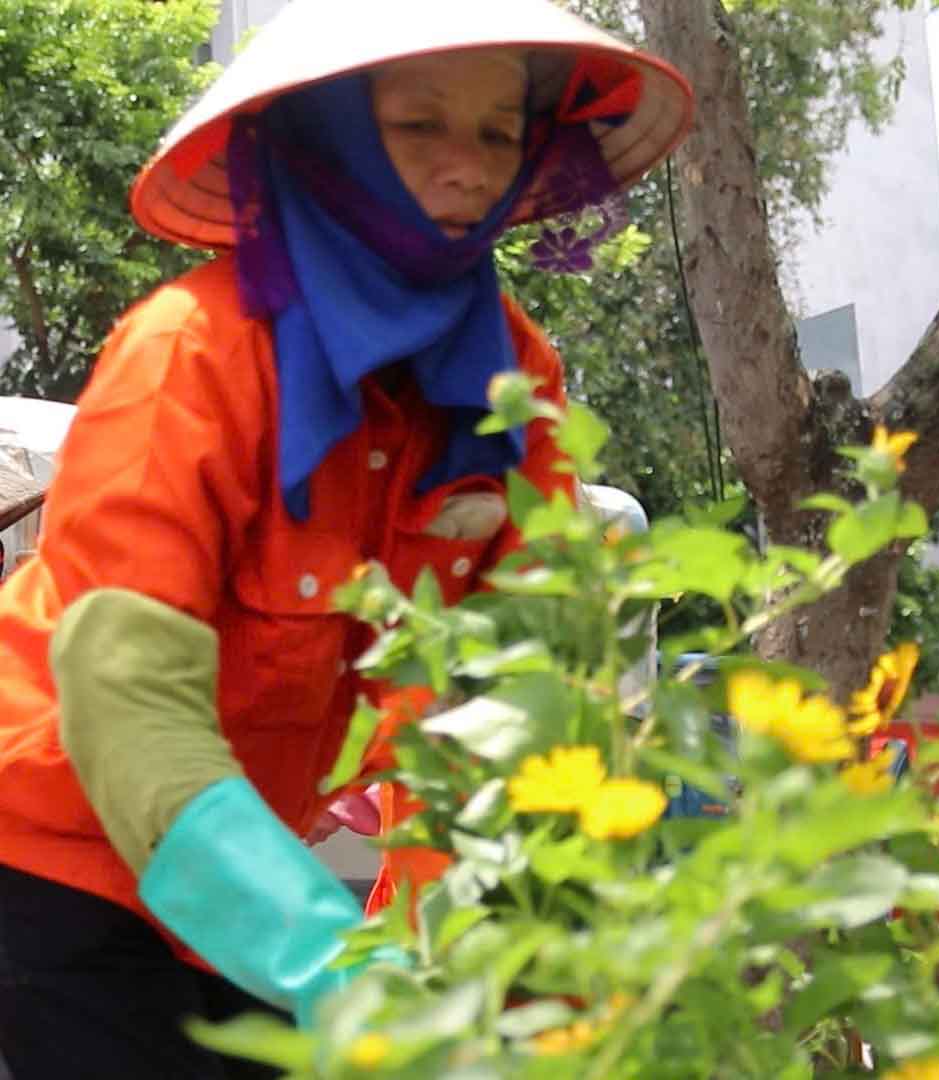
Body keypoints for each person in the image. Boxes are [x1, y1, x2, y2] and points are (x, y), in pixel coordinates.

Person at [0, 2, 692, 1076]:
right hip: (56, 846)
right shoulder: (187, 358)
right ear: (325, 141)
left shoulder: (512, 381)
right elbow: (130, 717)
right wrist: (345, 974)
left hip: (251, 870)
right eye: (419, 125)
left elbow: (519, 710)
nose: (466, 167)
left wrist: (498, 989)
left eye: (500, 131)